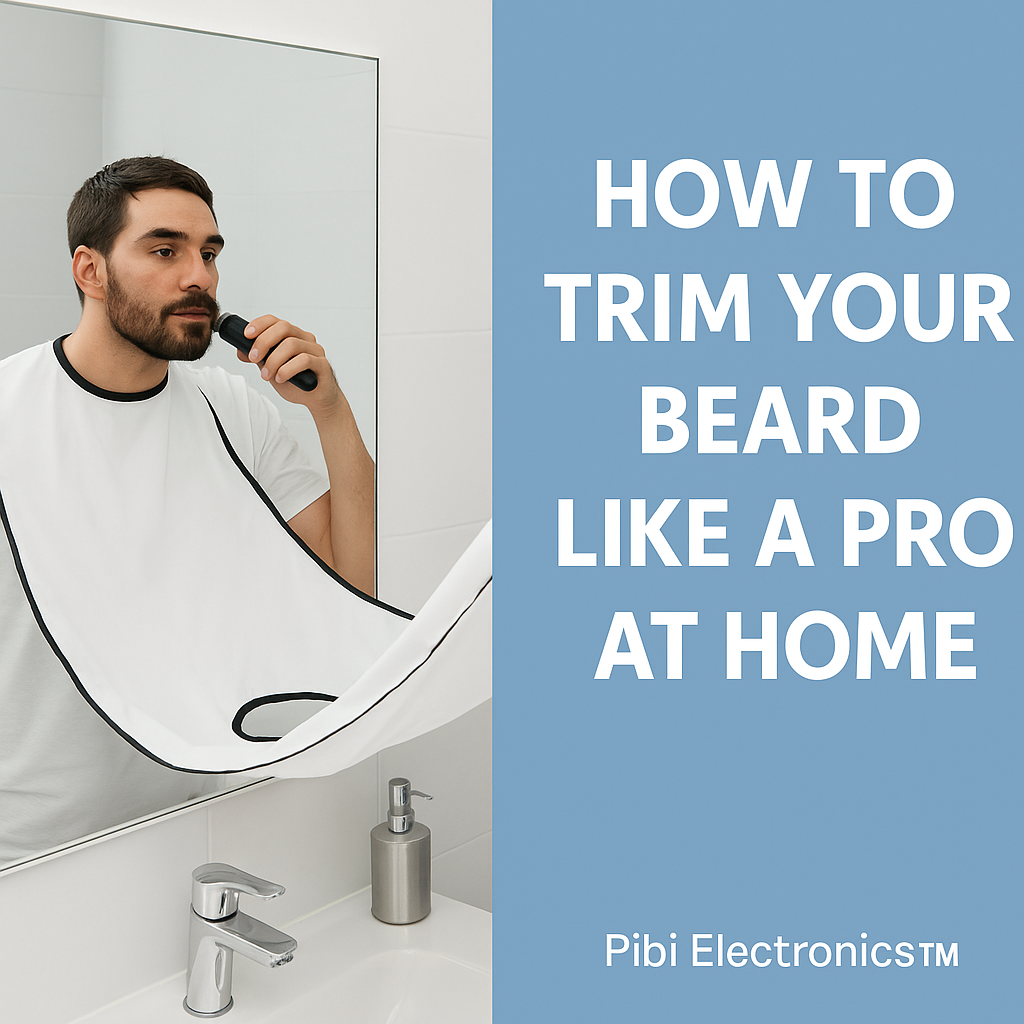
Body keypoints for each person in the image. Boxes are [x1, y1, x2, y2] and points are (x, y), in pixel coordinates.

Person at [0, 156, 374, 865]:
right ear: (91, 270)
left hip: (196, 821)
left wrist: (330, 410)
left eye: (208, 253)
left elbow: (349, 586)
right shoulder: (9, 412)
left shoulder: (233, 412)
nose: (198, 275)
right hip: (32, 847)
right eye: (164, 250)